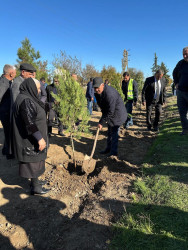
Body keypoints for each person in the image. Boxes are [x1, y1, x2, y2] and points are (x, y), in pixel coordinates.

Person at [12, 78, 50, 195]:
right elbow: (30, 123)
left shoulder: (26, 97)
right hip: (30, 140)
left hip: (31, 138)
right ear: (30, 88)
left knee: (36, 162)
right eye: (37, 88)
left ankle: (36, 182)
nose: (39, 91)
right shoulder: (26, 100)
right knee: (33, 163)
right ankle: (36, 188)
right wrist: (40, 138)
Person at [93, 77, 127, 156]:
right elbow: (103, 108)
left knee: (114, 133)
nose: (96, 90)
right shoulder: (98, 93)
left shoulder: (110, 94)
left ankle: (113, 153)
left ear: (102, 85)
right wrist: (102, 120)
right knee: (109, 132)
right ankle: (108, 149)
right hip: (110, 113)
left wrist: (101, 122)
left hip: (118, 114)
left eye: (97, 88)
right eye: (94, 88)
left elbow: (110, 111)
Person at [0, 64, 17, 159]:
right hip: (5, 113)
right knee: (9, 133)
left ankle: (5, 150)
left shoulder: (8, 82)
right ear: (11, 73)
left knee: (8, 132)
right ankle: (9, 153)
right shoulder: (3, 83)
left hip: (7, 112)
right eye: (14, 73)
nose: (15, 74)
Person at [173, 47, 188, 135]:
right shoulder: (180, 63)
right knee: (182, 112)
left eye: (186, 54)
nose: (185, 56)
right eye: (183, 54)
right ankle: (185, 130)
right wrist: (176, 83)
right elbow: (174, 73)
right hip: (181, 92)